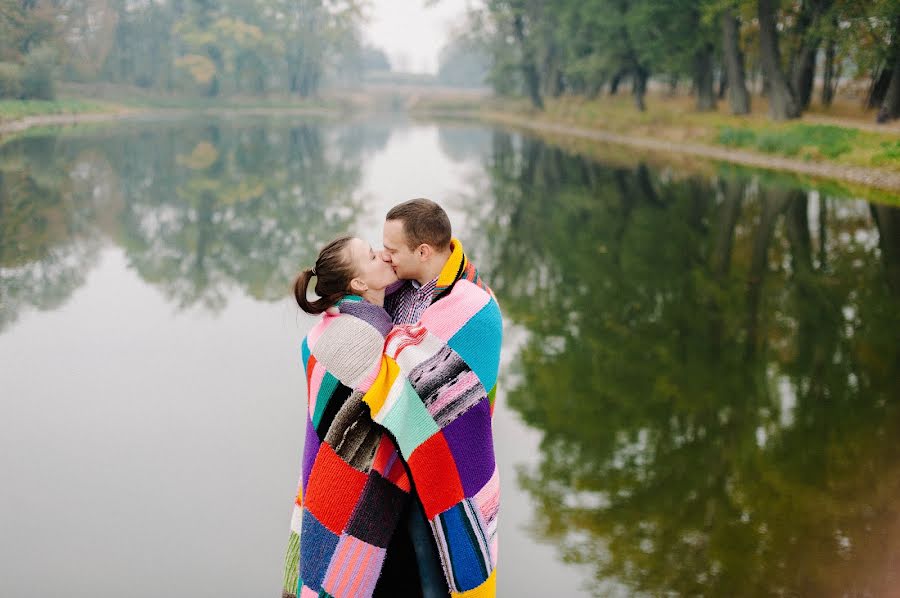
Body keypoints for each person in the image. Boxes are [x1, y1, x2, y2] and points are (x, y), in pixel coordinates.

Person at [376, 198, 503, 597]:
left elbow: (465, 398)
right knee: (389, 569)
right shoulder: (396, 291)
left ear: (423, 251)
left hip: (440, 458)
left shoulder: (474, 306)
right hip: (392, 455)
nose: (384, 255)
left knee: (437, 568)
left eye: (391, 250)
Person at [282, 235, 416, 598]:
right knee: (344, 572)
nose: (385, 256)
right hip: (349, 479)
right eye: (373, 256)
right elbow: (397, 407)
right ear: (358, 284)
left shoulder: (338, 320)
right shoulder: (360, 333)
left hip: (322, 465)